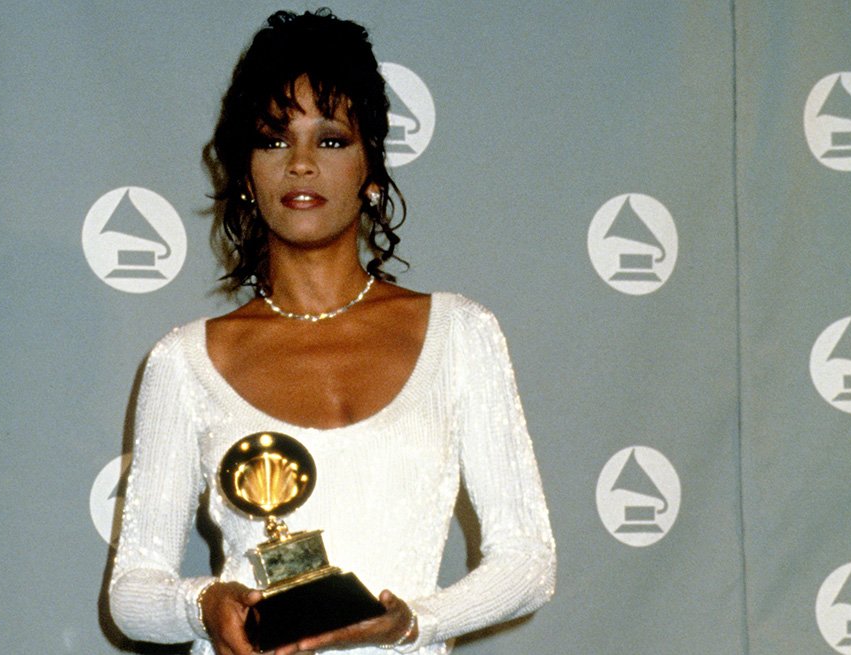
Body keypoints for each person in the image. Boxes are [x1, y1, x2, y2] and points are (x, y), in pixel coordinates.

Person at [109, 9, 554, 655]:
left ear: (371, 169)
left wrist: (410, 621)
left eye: (332, 139)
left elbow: (528, 561)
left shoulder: (459, 333)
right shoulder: (185, 360)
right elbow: (132, 592)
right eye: (272, 139)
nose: (300, 164)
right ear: (246, 172)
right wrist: (204, 603)